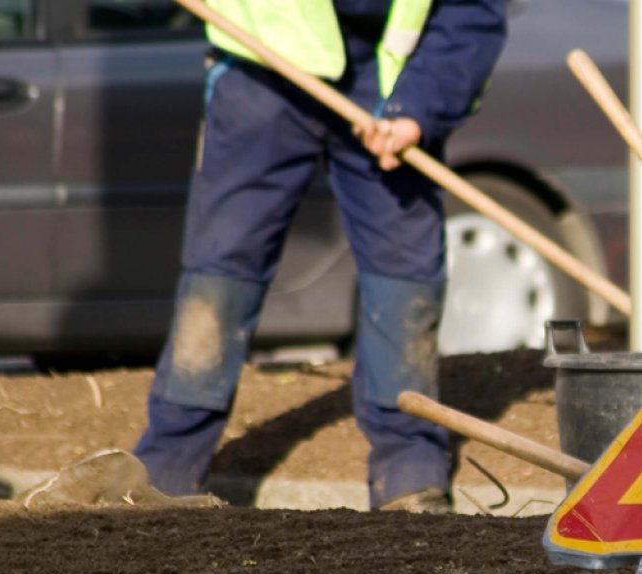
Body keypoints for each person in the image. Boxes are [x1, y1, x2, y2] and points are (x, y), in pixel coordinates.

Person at [132, 0, 507, 513]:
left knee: (404, 274)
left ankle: (410, 468)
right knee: (221, 271)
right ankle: (167, 468)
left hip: (390, 78)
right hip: (261, 66)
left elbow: (472, 12)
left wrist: (418, 109)